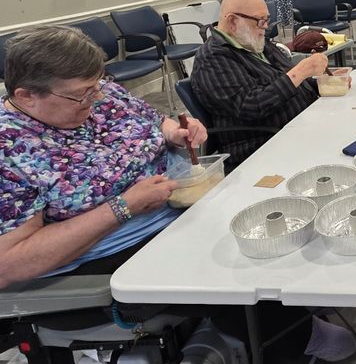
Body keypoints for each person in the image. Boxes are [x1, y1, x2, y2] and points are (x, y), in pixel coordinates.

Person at [0, 26, 207, 288]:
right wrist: (123, 207)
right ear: (26, 96)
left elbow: (158, 121)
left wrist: (175, 132)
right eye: (81, 94)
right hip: (127, 251)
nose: (97, 97)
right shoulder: (9, 148)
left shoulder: (100, 92)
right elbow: (9, 263)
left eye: (97, 84)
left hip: (185, 206)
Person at [191, 0, 330, 168]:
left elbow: (286, 80)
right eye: (260, 21)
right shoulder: (212, 58)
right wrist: (301, 71)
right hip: (264, 145)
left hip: (299, 127)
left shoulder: (252, 42)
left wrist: (321, 83)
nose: (265, 27)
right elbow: (251, 105)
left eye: (266, 20)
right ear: (233, 21)